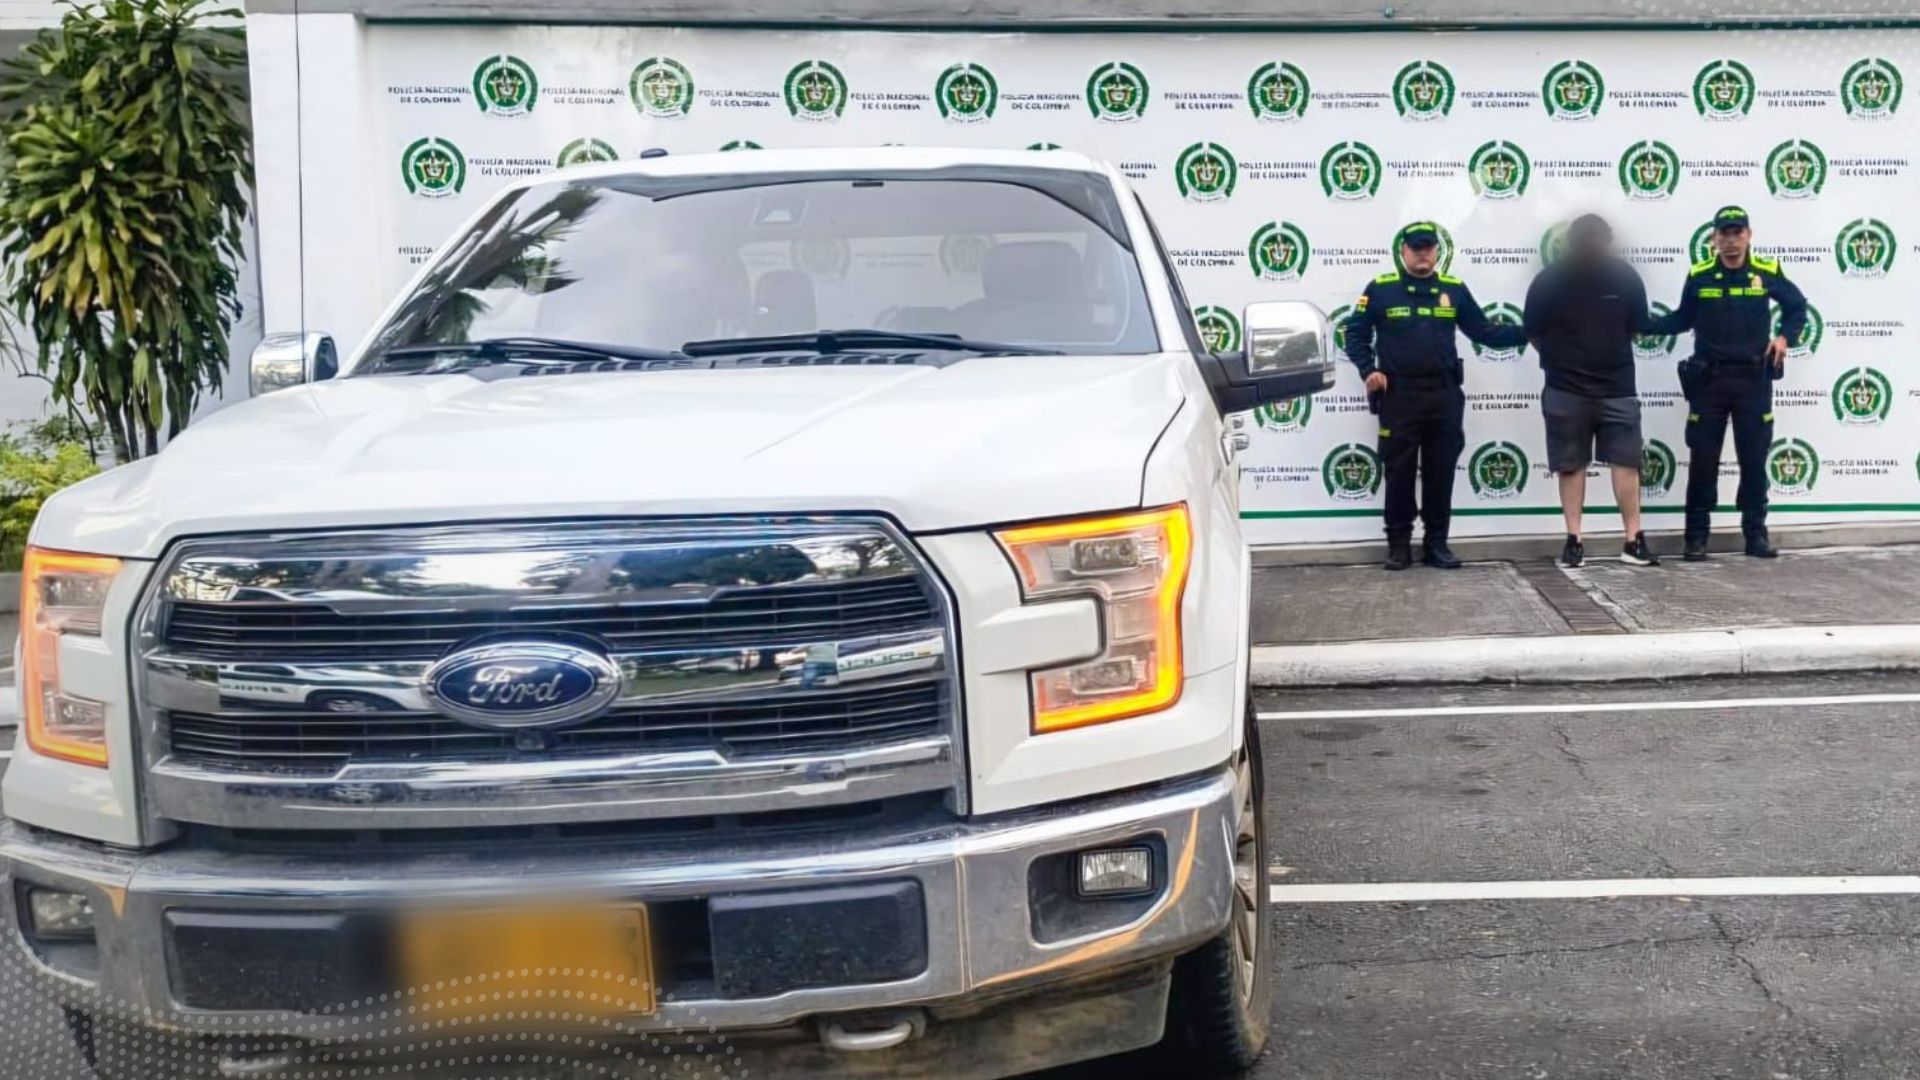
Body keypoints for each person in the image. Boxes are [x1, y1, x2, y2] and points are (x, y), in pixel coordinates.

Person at [1343, 222, 1528, 570]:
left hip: (1443, 396)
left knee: (1440, 471)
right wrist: (1369, 370)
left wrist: (1532, 331)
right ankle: (1399, 546)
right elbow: (1354, 333)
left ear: (1438, 251)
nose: (1423, 253)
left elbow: (1485, 331)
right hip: (1399, 396)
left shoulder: (1453, 289)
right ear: (1403, 252)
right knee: (1398, 473)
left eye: (1429, 247)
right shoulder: (1381, 289)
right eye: (1416, 247)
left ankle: (1436, 544)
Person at [1645, 206, 1808, 560]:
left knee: (1754, 459)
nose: (1731, 241)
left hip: (1754, 380)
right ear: (1714, 238)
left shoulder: (1767, 271)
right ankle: (1696, 537)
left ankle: (1755, 535)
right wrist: (1638, 323)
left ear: (1749, 235)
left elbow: (1798, 308)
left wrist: (1784, 339)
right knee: (1703, 459)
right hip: (1710, 381)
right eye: (1724, 234)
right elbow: (1681, 319)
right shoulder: (1700, 274)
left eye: (1737, 233)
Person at [1522, 214, 1660, 568]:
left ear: (1608, 240)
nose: (1591, 246)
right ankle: (1574, 540)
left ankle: (1633, 540)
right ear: (1572, 242)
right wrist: (1560, 362)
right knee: (1571, 465)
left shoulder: (1626, 277)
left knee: (1627, 462)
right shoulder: (1548, 280)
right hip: (1565, 388)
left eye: (1597, 239)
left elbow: (1637, 328)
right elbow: (1533, 332)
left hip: (1617, 388)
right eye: (1585, 240)